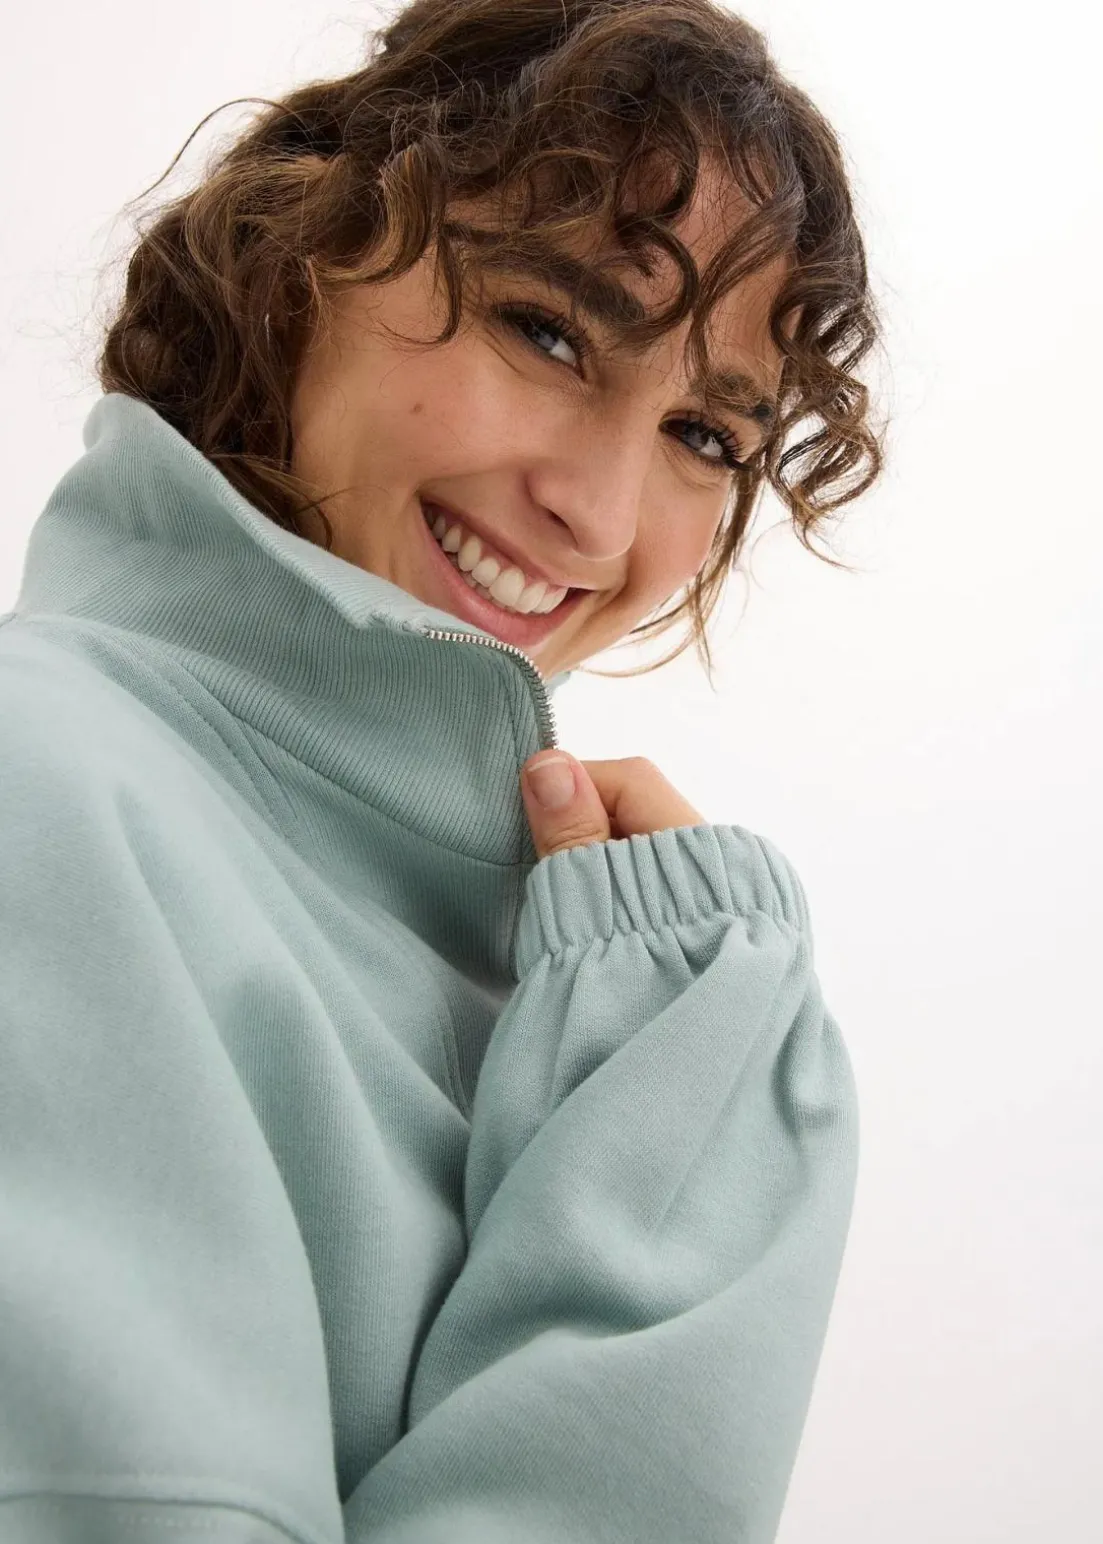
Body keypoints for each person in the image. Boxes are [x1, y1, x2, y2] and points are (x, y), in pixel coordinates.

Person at [0, 1, 885, 1540]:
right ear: (303, 255)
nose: (601, 517)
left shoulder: (596, 989)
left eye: (703, 435)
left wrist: (675, 1081)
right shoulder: (41, 783)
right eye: (549, 332)